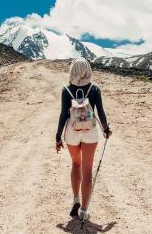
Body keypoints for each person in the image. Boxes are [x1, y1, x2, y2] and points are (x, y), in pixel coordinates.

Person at [55, 58, 112, 221]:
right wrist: (106, 129)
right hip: (90, 132)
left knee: (76, 164)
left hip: (72, 132)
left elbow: (63, 114)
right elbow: (100, 113)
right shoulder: (94, 89)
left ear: (72, 70)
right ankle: (84, 211)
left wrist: (58, 137)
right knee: (87, 171)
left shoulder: (66, 90)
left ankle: (76, 200)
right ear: (88, 70)